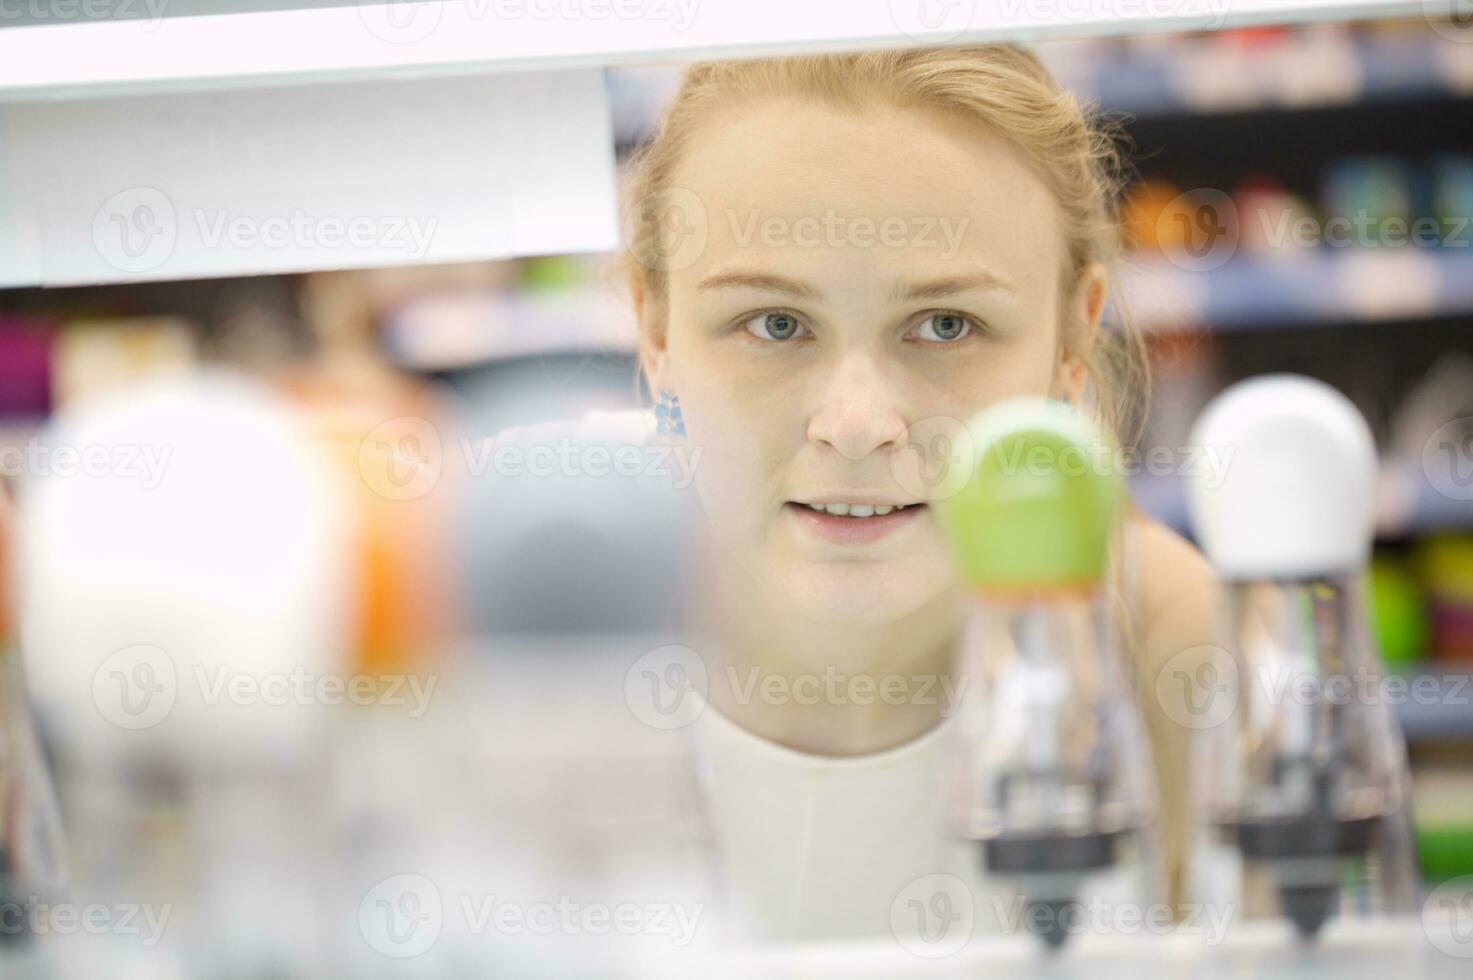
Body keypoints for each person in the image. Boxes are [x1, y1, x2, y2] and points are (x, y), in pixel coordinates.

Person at [611, 43, 1222, 944]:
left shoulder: (1175, 640)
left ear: (1070, 336)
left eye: (945, 325)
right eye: (774, 323)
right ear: (655, 328)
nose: (855, 425)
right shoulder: (543, 647)